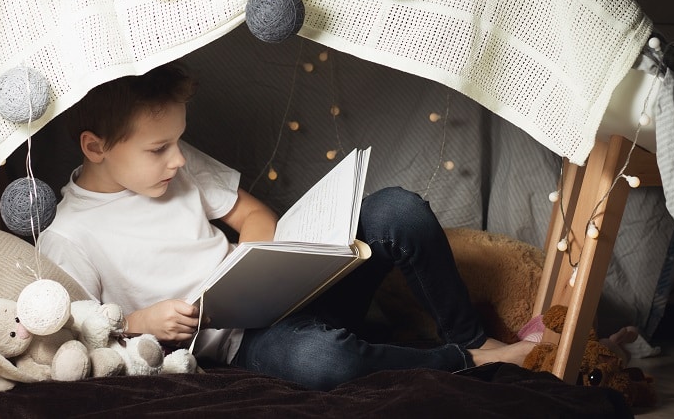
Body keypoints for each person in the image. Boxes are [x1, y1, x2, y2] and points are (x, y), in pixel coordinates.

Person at [39, 61, 535, 390]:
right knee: (323, 361)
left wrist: (247, 265)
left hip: (289, 293)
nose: (176, 160)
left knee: (398, 210)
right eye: (158, 149)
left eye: (178, 142)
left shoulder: (177, 161)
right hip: (244, 343)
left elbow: (253, 215)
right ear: (95, 147)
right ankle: (465, 363)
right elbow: (79, 339)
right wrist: (140, 322)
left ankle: (471, 337)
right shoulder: (70, 236)